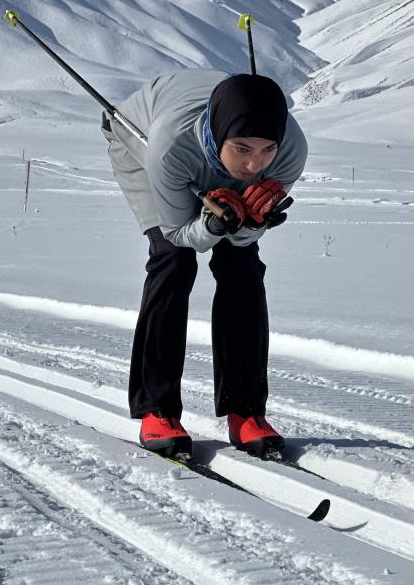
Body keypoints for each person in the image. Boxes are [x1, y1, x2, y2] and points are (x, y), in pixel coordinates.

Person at [102, 70, 307, 459]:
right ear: (221, 134)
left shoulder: (292, 151)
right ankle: (156, 408)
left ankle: (244, 410)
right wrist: (212, 223)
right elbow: (180, 232)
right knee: (172, 261)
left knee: (242, 264)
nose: (254, 165)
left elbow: (243, 239)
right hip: (139, 142)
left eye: (266, 150)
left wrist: (251, 223)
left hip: (203, 143)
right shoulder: (169, 147)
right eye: (243, 148)